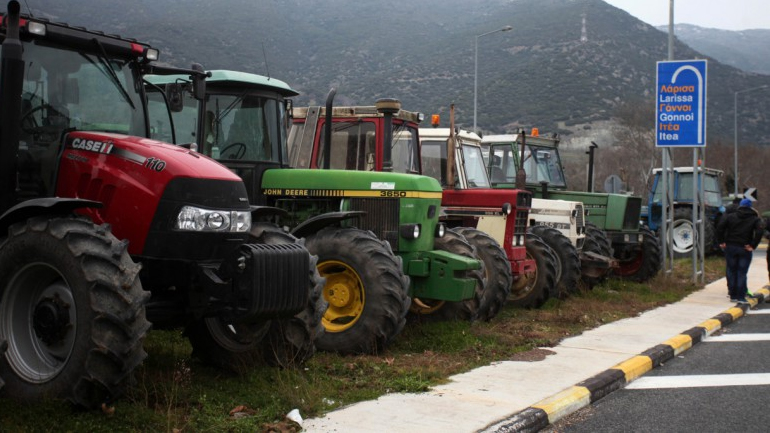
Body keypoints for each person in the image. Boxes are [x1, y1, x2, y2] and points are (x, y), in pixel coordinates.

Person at [717, 198, 765, 304]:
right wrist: (753, 245)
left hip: (731, 246)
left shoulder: (731, 216)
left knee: (731, 270)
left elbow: (720, 227)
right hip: (745, 248)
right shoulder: (754, 218)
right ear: (750, 207)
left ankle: (732, 295)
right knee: (742, 272)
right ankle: (741, 296)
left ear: (740, 206)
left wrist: (722, 241)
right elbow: (760, 231)